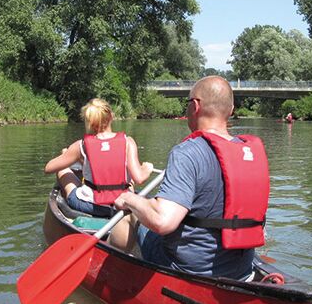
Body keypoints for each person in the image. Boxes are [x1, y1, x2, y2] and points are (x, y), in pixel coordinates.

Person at [111, 76, 270, 280]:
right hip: (242, 270)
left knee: (132, 213)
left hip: (188, 269)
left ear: (194, 106)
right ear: (230, 110)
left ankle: (117, 271)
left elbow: (163, 221)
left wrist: (129, 198)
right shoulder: (250, 153)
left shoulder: (187, 152)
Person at [44, 98, 153, 217]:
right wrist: (146, 168)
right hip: (120, 206)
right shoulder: (128, 142)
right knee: (130, 179)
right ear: (111, 116)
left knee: (62, 168)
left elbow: (49, 168)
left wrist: (66, 154)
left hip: (89, 205)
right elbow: (139, 178)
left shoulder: (81, 145)